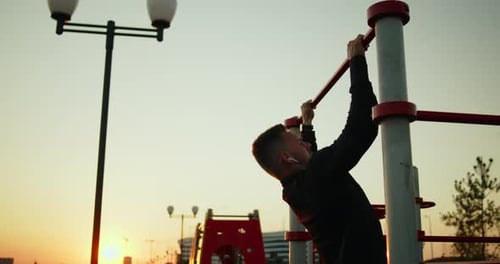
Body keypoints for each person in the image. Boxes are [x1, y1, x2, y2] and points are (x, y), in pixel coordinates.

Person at [252, 35, 386, 264]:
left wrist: (307, 124)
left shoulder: (294, 189)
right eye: (298, 142)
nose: (304, 144)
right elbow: (360, 128)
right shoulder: (316, 176)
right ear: (287, 158)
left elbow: (310, 158)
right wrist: (357, 61)